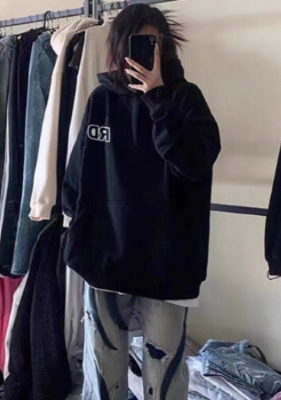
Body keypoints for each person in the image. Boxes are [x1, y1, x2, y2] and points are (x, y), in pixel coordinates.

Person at [62, 4, 221, 400]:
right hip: (106, 258)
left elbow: (195, 163)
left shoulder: (186, 99)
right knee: (104, 370)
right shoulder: (101, 99)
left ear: (165, 47)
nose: (148, 53)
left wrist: (158, 100)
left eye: (154, 43)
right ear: (119, 46)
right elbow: (78, 175)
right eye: (139, 43)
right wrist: (74, 232)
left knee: (163, 374)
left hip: (168, 263)